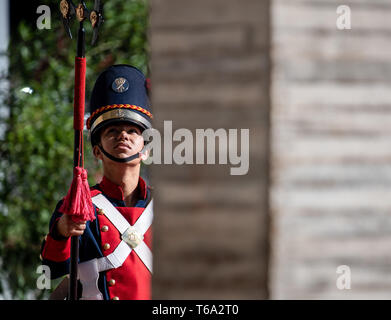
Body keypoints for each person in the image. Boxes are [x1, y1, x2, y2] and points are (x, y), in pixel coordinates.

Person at [40, 64, 154, 300]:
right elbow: (52, 269)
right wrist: (62, 231)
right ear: (97, 151)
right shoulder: (79, 205)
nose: (123, 135)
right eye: (112, 131)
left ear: (146, 150)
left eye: (133, 131)